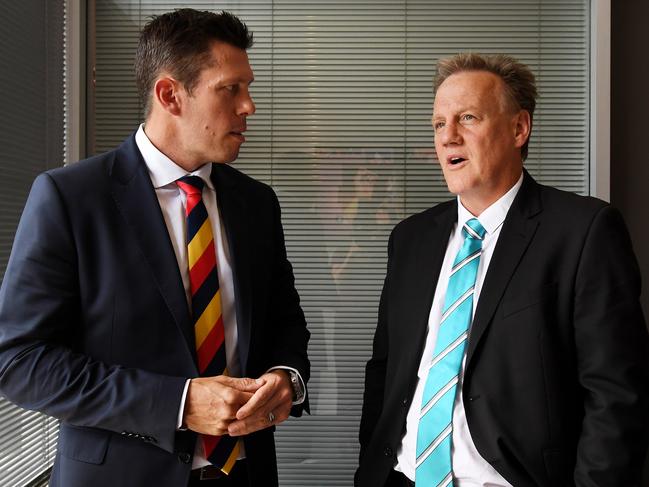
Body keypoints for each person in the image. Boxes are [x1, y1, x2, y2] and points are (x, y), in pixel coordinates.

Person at [0, 9, 310, 487]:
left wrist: (286, 378)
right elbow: (19, 361)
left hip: (245, 474)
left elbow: (284, 321)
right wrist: (179, 403)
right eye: (230, 89)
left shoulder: (256, 203)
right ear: (170, 95)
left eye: (248, 88)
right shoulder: (71, 198)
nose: (249, 106)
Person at [356, 53, 649, 487]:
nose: (448, 137)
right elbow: (385, 370)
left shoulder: (584, 231)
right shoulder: (410, 239)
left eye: (467, 118)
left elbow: (616, 396)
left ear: (518, 128)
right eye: (438, 124)